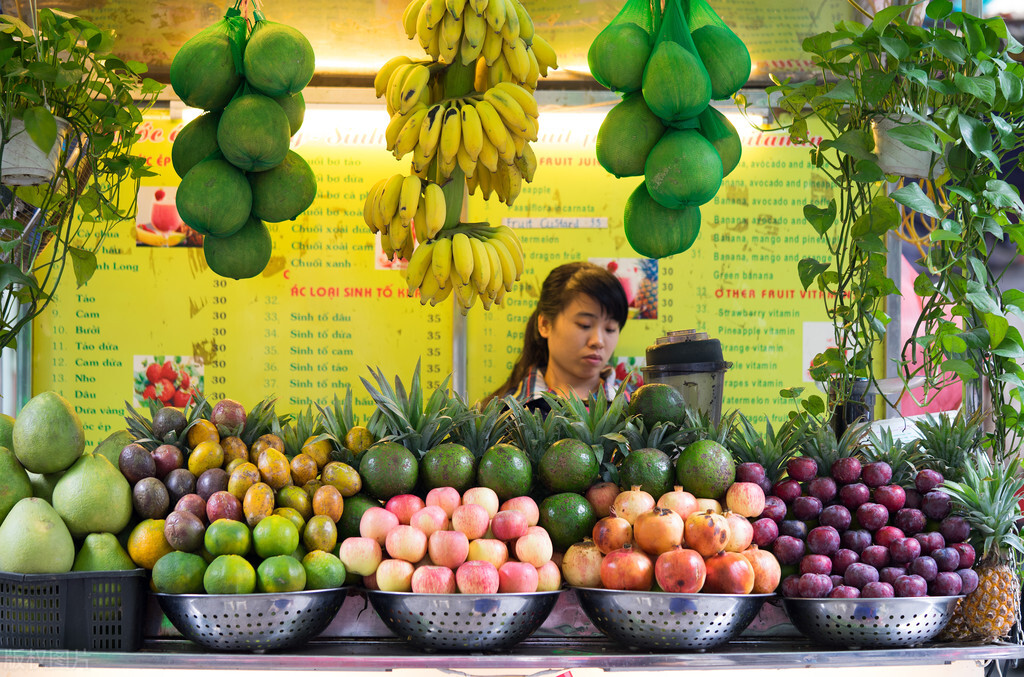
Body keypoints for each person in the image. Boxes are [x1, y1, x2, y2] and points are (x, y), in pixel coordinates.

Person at [486, 261, 631, 412]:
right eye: (585, 325)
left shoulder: (636, 407)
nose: (598, 341)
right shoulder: (506, 413)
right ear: (545, 325)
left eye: (610, 329)